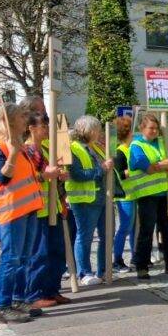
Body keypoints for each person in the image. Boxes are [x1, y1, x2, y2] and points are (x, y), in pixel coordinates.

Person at [0, 103, 48, 323]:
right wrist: (12, 153)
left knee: (23, 257)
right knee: (11, 259)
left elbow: (27, 177)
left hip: (28, 208)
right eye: (22, 117)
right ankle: (2, 306)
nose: (26, 120)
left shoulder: (19, 146)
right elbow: (3, 178)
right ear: (9, 121)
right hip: (13, 211)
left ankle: (18, 299)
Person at [128, 113, 168, 279]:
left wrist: (167, 165)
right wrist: (164, 165)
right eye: (151, 128)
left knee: (167, 230)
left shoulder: (163, 142)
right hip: (147, 194)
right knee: (146, 230)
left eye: (156, 128)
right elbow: (147, 167)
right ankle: (142, 265)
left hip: (165, 193)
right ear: (142, 128)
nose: (154, 131)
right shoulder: (137, 146)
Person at [23, 112, 67, 309]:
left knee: (57, 251)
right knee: (39, 253)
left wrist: (59, 175)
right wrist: (46, 176)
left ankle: (52, 289)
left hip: (53, 207)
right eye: (44, 126)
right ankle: (34, 294)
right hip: (37, 209)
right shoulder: (26, 151)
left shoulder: (47, 149)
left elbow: (51, 174)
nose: (48, 130)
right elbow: (31, 178)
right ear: (31, 128)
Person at [66, 115, 112, 286]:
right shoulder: (74, 148)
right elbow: (78, 175)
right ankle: (84, 272)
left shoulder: (92, 148)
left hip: (99, 197)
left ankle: (103, 269)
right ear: (89, 130)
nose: (99, 133)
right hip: (84, 200)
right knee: (84, 236)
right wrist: (101, 169)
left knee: (106, 235)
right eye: (97, 130)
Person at [111, 115, 138, 272]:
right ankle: (117, 260)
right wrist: (136, 168)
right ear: (127, 133)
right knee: (125, 228)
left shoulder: (130, 148)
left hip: (134, 193)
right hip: (125, 196)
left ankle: (135, 257)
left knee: (134, 228)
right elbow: (120, 174)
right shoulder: (120, 152)